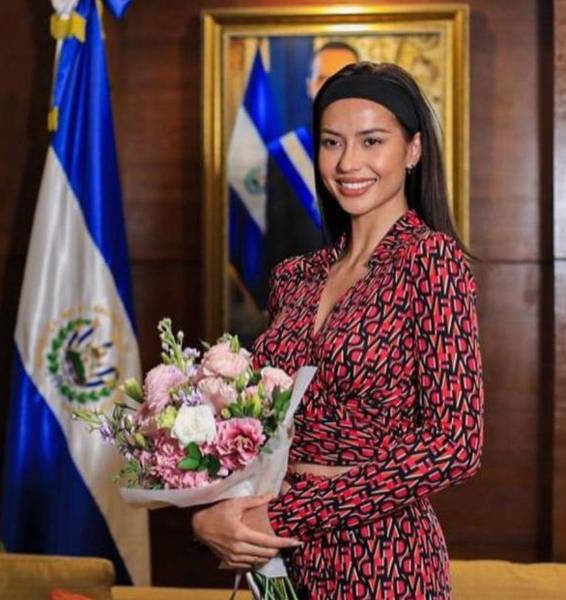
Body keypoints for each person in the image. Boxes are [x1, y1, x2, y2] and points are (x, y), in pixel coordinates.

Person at [193, 61, 484, 599]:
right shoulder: (294, 276)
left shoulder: (432, 262)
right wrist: (211, 515)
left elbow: (454, 444)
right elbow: (260, 431)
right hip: (279, 558)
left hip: (384, 557)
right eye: (331, 142)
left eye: (372, 140)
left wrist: (286, 516)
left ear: (413, 150)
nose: (349, 162)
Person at [261, 41, 358, 309]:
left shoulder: (383, 148)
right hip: (304, 302)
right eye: (322, 78)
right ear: (309, 85)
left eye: (342, 78)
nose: (331, 88)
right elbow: (277, 244)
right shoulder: (285, 153)